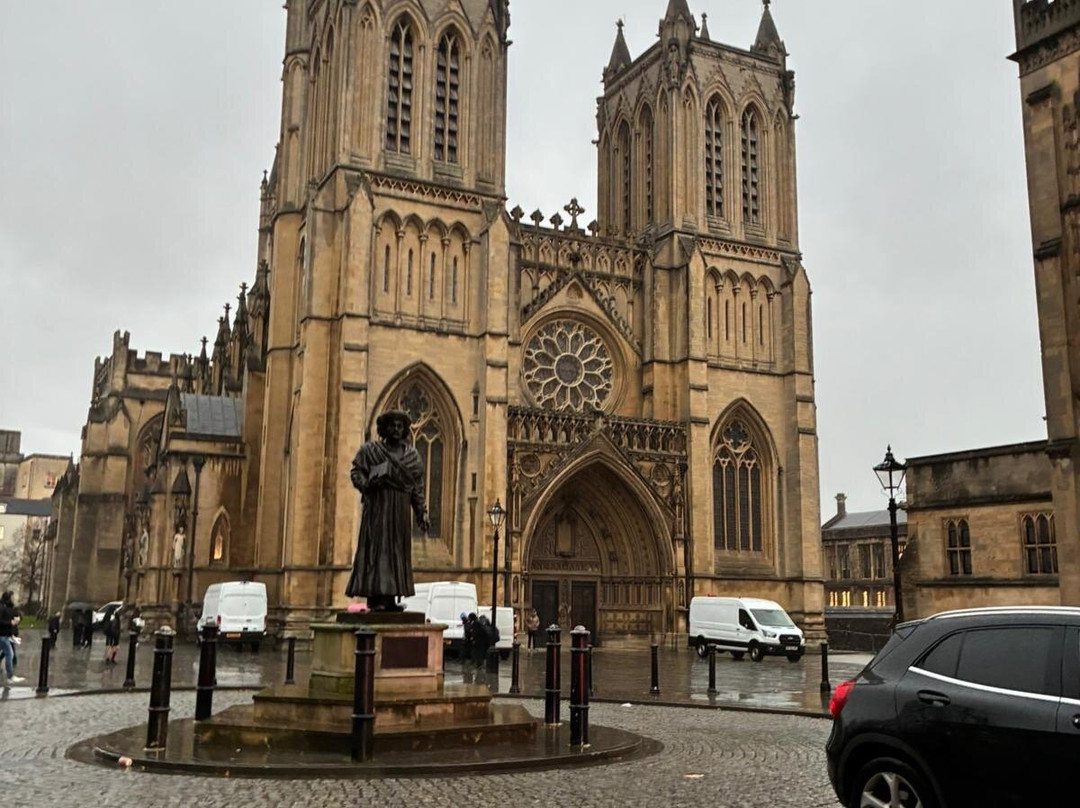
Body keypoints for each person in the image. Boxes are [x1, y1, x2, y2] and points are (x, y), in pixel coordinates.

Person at [345, 411, 430, 611]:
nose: (396, 429)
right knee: (378, 552)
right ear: (384, 429)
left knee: (396, 553)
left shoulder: (412, 456)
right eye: (392, 425)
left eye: (400, 426)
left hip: (400, 511)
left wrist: (421, 512)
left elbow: (416, 488)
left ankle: (390, 598)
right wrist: (367, 484)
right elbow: (356, 472)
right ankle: (376, 599)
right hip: (378, 508)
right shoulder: (370, 451)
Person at [0, 591, 25, 684]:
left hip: (5, 635)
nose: (14, 599)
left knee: (8, 653)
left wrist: (12, 635)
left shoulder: (6, 607)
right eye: (12, 597)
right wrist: (10, 622)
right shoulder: (2, 607)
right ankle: (10, 676)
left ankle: (10, 676)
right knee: (9, 654)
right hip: (2, 635)